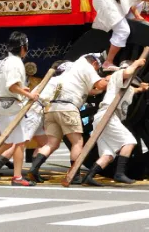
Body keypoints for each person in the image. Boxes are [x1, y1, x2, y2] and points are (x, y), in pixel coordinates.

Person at [26, 53, 108, 184]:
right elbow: (100, 85)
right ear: (94, 63)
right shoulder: (86, 66)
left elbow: (91, 90)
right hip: (68, 108)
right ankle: (74, 174)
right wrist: (112, 78)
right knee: (77, 142)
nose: (97, 71)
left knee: (51, 143)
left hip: (52, 108)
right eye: (97, 68)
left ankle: (34, 169)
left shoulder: (71, 69)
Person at [0, 31, 40, 187]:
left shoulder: (4, 61)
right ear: (23, 47)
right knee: (19, 142)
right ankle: (17, 176)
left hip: (3, 105)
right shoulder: (15, 62)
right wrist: (29, 95)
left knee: (8, 141)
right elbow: (12, 86)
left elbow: (12, 85)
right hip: (12, 106)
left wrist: (24, 90)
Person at [82, 58, 149, 186]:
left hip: (105, 118)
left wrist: (141, 88)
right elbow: (126, 73)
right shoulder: (118, 75)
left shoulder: (126, 88)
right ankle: (119, 173)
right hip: (108, 115)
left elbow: (133, 90)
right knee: (130, 141)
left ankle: (89, 176)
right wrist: (136, 63)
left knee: (108, 154)